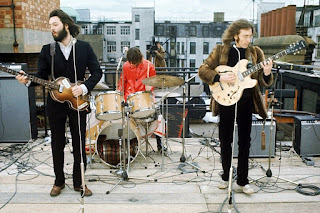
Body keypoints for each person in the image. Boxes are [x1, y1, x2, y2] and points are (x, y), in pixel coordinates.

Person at [16, 9, 102, 197]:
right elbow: (40, 76)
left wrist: (85, 88)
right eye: (50, 26)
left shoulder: (84, 48)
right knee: (57, 143)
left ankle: (79, 182)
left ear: (66, 25)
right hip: (55, 103)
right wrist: (28, 80)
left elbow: (97, 73)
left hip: (78, 102)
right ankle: (59, 181)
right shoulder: (48, 50)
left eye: (55, 25)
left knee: (79, 143)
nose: (52, 29)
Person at [198, 19, 273, 194]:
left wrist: (267, 73)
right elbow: (203, 70)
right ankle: (226, 176)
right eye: (245, 36)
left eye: (250, 36)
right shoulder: (221, 50)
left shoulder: (255, 53)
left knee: (245, 142)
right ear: (235, 35)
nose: (248, 40)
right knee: (225, 140)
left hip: (247, 102)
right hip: (226, 101)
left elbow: (262, 80)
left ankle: (242, 180)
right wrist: (219, 78)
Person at [118, 47, 165, 151]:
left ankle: (159, 143)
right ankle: (131, 142)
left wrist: (150, 87)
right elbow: (122, 82)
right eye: (131, 62)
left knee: (158, 116)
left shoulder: (149, 66)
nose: (133, 64)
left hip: (145, 95)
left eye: (134, 62)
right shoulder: (126, 66)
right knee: (127, 119)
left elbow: (153, 81)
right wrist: (120, 94)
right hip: (130, 96)